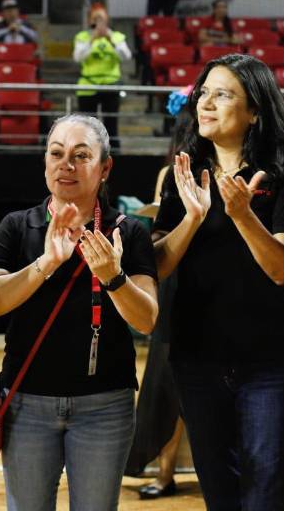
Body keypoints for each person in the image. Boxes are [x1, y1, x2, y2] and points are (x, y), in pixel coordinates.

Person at [153, 53, 284, 510]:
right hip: (198, 360)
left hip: (270, 363)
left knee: (266, 495)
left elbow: (281, 269)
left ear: (255, 111)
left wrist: (242, 214)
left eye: (222, 95)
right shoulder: (183, 176)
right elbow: (158, 265)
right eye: (204, 92)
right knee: (219, 495)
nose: (205, 103)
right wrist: (192, 218)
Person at [0, 113, 159, 510]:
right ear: (45, 162)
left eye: (81, 155)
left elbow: (146, 319)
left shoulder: (126, 232)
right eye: (56, 153)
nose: (67, 165)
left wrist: (112, 276)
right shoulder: (17, 226)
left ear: (105, 168)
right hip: (27, 402)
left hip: (105, 407)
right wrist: (46, 263)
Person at [125, 111, 191, 500]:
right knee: (167, 383)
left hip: (201, 283)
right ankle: (165, 473)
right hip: (176, 283)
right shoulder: (170, 175)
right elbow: (159, 230)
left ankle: (175, 472)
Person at [73, 3, 131, 148]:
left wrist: (111, 39)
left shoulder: (117, 36)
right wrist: (92, 39)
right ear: (90, 20)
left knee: (111, 125)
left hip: (111, 85)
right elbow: (78, 57)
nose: (98, 22)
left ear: (107, 20)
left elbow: (126, 56)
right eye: (95, 18)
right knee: (87, 127)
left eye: (101, 18)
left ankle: (114, 153)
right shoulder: (83, 37)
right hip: (88, 86)